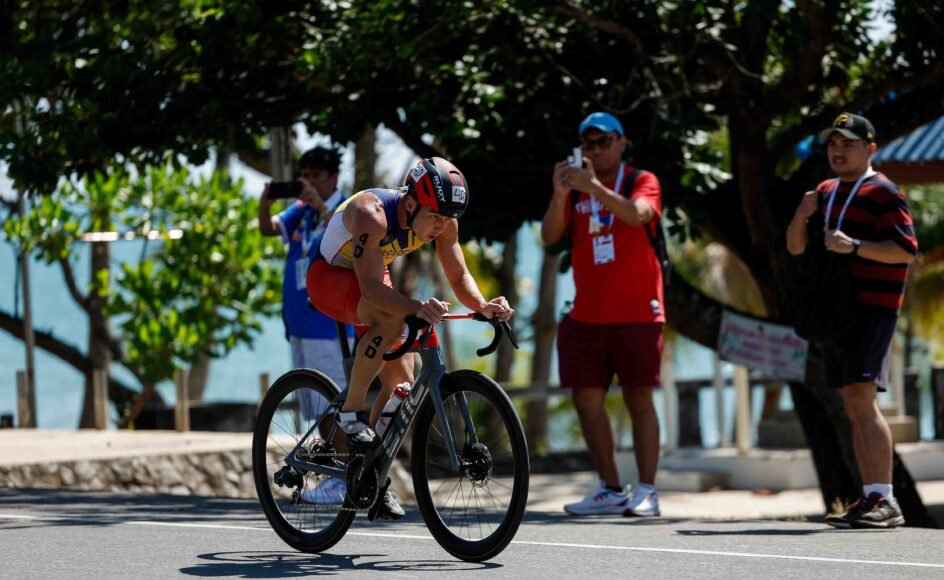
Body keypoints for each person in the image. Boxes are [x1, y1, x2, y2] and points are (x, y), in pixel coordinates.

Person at [304, 157, 515, 516]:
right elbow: (371, 291)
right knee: (389, 320)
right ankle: (351, 414)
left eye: (447, 218)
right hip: (329, 276)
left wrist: (483, 305)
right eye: (435, 216)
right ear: (412, 201)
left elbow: (458, 273)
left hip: (369, 274)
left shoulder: (443, 222)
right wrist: (416, 306)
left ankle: (366, 475)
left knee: (402, 386)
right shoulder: (371, 214)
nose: (441, 226)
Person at [786, 112, 918, 529]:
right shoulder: (824, 191)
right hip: (836, 310)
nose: (839, 151)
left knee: (862, 397)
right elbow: (794, 248)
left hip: (873, 308)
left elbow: (906, 250)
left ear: (870, 149)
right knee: (852, 402)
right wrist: (802, 214)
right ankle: (872, 496)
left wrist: (855, 246)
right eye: (833, 145)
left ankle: (886, 501)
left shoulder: (883, 191)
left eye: (849, 144)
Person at [541, 111, 665, 517]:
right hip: (588, 315)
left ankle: (647, 491)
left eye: (603, 141)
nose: (596, 150)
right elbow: (549, 236)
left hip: (638, 312)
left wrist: (593, 186)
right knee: (585, 399)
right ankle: (611, 489)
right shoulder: (575, 190)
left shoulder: (640, 180)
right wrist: (561, 194)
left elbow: (637, 214)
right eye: (588, 143)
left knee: (639, 399)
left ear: (622, 142)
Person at [258, 146, 349, 403]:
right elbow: (268, 229)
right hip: (299, 324)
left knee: (336, 408)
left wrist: (320, 205)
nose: (308, 182)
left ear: (333, 177)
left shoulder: (347, 208)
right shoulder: (302, 209)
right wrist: (264, 205)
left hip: (328, 327)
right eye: (304, 175)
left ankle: (346, 446)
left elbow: (344, 233)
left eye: (315, 175)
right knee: (316, 411)